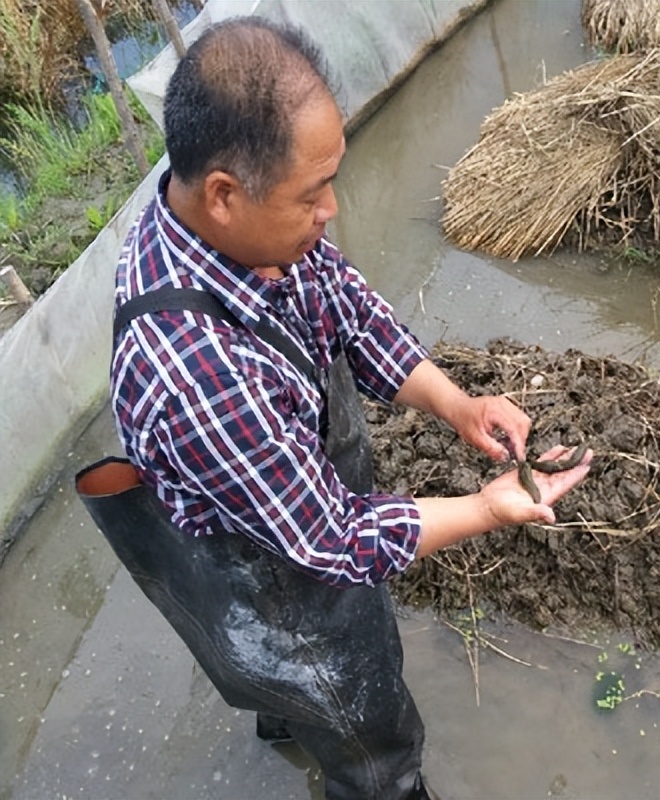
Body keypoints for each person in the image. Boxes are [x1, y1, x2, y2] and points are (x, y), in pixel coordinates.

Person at [74, 15, 590, 800]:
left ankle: (286, 722)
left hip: (290, 507)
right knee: (364, 732)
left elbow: (346, 306)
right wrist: (489, 509)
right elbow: (332, 538)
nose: (331, 212)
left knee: (303, 694)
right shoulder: (195, 371)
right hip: (281, 584)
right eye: (312, 193)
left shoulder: (245, 224)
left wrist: (456, 403)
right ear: (223, 194)